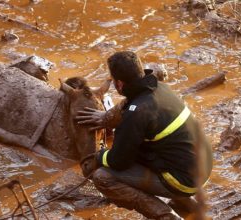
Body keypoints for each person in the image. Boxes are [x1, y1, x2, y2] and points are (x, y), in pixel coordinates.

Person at [76, 51, 213, 220]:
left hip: (183, 181)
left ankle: (166, 216)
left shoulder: (137, 113)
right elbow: (126, 105)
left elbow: (119, 161)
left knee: (103, 177)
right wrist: (105, 118)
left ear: (119, 84)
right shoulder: (159, 88)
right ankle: (188, 204)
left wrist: (99, 156)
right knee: (154, 148)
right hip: (202, 167)